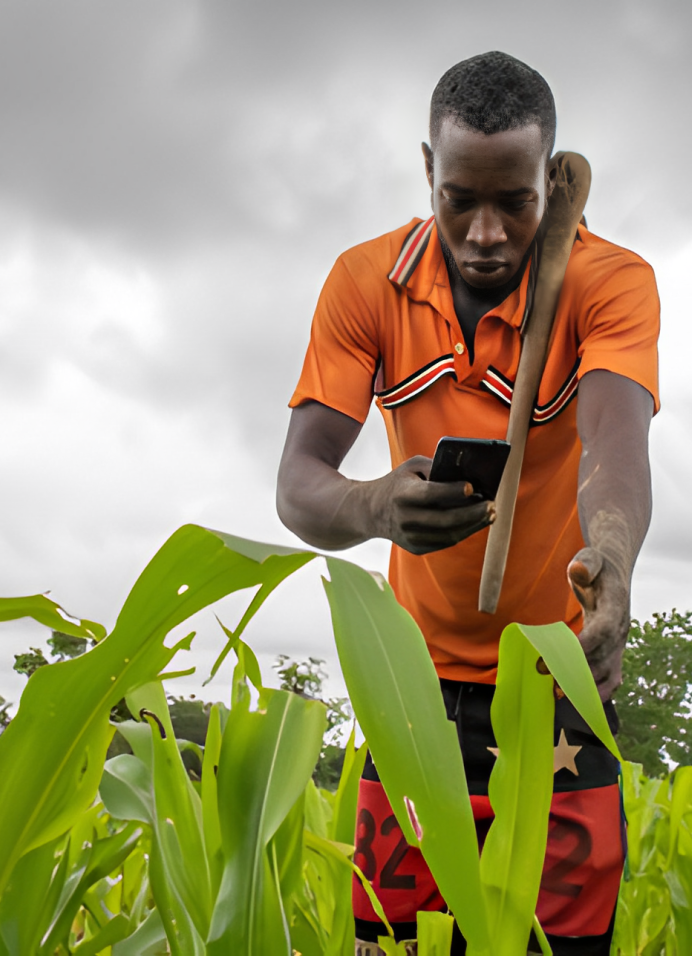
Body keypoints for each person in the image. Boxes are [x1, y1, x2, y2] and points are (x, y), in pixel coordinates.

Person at [276, 50, 659, 956]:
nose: (486, 233)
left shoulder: (611, 283)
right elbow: (299, 483)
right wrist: (376, 507)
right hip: (410, 690)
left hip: (558, 684)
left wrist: (611, 560)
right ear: (427, 172)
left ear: (549, 179)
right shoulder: (366, 282)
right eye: (461, 201)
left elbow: (616, 442)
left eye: (516, 204)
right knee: (394, 948)